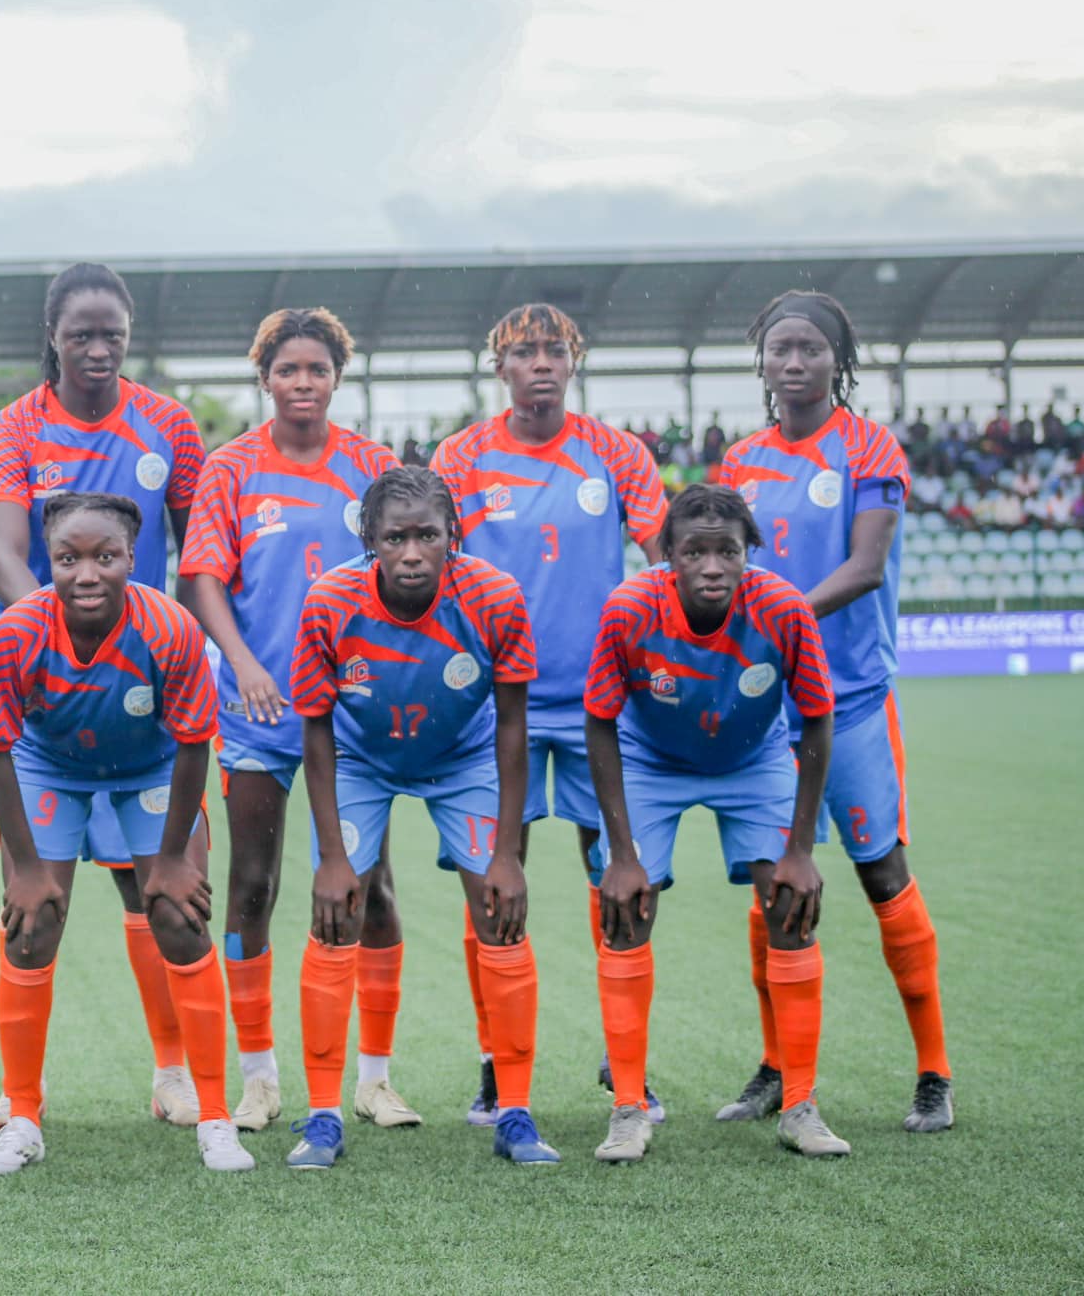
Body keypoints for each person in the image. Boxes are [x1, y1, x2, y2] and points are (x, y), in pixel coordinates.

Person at [0, 263, 210, 1126]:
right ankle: (20, 1094)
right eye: (82, 333)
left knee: (156, 890)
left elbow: (198, 546)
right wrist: (47, 646)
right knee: (33, 897)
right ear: (53, 335)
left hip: (147, 687)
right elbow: (5, 554)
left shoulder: (169, 424)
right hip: (49, 690)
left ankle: (176, 1071)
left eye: (113, 332)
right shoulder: (10, 430)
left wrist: (160, 646)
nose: (99, 348)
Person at [717, 290, 952, 1132]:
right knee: (770, 883)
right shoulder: (740, 459)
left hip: (847, 700)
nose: (793, 362)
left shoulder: (868, 447)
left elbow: (865, 566)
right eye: (780, 347)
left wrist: (780, 620)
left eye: (810, 348)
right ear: (763, 359)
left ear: (836, 359)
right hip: (762, 709)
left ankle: (934, 1070)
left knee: (881, 874)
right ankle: (778, 1065)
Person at [430, 303, 667, 1126]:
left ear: (575, 361)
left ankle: (625, 1059)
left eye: (553, 350)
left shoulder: (618, 453)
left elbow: (663, 561)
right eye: (523, 351)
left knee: (623, 880)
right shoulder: (460, 456)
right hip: (501, 705)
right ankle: (498, 1063)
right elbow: (433, 565)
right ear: (498, 366)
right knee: (494, 881)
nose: (540, 363)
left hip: (606, 701)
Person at [0, 492, 250, 1175]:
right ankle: (24, 1117)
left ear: (133, 559)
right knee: (30, 924)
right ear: (49, 562)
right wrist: (29, 868)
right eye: (68, 558)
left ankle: (215, 1118)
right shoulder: (18, 631)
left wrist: (176, 857)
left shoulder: (171, 628)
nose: (86, 573)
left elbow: (190, 744)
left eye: (105, 557)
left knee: (179, 917)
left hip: (148, 767)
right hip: (48, 766)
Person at [286, 466, 557, 1170]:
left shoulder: (495, 597)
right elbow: (315, 732)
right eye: (395, 537)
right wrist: (331, 858)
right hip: (361, 759)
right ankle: (321, 1117)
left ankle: (516, 1112)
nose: (411, 552)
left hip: (463, 758)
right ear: (368, 539)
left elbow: (512, 726)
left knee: (498, 910)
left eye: (427, 536)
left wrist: (506, 853)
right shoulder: (330, 601)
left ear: (453, 538)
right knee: (338, 912)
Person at [179, 307, 403, 1134]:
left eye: (316, 369)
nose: (302, 383)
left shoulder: (374, 467)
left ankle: (374, 1079)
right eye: (286, 369)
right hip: (255, 714)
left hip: (351, 721)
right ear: (264, 377)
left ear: (337, 376)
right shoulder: (232, 467)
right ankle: (260, 1077)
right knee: (252, 885)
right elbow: (203, 578)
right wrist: (241, 662)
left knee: (370, 888)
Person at [583, 483, 847, 1163]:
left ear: (748, 554)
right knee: (628, 909)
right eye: (693, 551)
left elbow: (817, 719)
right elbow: (601, 723)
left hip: (752, 758)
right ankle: (629, 1108)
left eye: (726, 550)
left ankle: (800, 1107)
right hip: (652, 760)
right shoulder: (630, 608)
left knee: (790, 907)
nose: (710, 566)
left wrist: (800, 847)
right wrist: (621, 852)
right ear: (665, 554)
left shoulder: (784, 608)